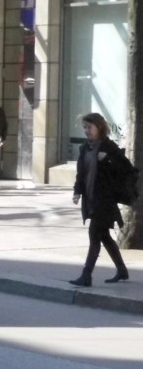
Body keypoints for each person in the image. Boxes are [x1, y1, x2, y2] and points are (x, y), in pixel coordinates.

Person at [70, 112, 130, 286]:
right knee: (104, 236)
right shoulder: (84, 148)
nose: (87, 131)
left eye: (90, 127)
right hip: (90, 198)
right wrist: (77, 192)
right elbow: (81, 174)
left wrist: (109, 159)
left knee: (94, 235)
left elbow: (126, 169)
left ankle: (86, 275)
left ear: (100, 127)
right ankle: (122, 270)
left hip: (105, 200)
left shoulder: (109, 147)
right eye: (85, 128)